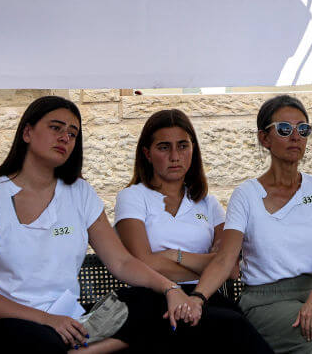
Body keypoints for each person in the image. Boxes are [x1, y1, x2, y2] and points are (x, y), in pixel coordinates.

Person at [0, 95, 197, 354]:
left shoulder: (79, 193)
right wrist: (48, 321)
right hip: (2, 326)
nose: (65, 138)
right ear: (27, 132)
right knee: (42, 341)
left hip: (71, 323)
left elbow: (122, 262)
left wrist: (170, 288)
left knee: (151, 304)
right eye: (55, 128)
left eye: (72, 133)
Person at [188, 95, 312, 354]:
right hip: (264, 303)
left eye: (303, 129)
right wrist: (197, 298)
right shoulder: (246, 195)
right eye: (284, 129)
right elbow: (226, 259)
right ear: (264, 138)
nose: (295, 136)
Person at [114, 108, 272, 352]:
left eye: (183, 146)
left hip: (203, 295)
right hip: (153, 297)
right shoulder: (133, 197)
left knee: (234, 326)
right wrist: (207, 263)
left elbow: (229, 268)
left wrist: (172, 255)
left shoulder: (208, 203)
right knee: (230, 327)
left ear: (193, 150)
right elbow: (141, 263)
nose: (175, 156)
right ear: (147, 153)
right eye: (164, 147)